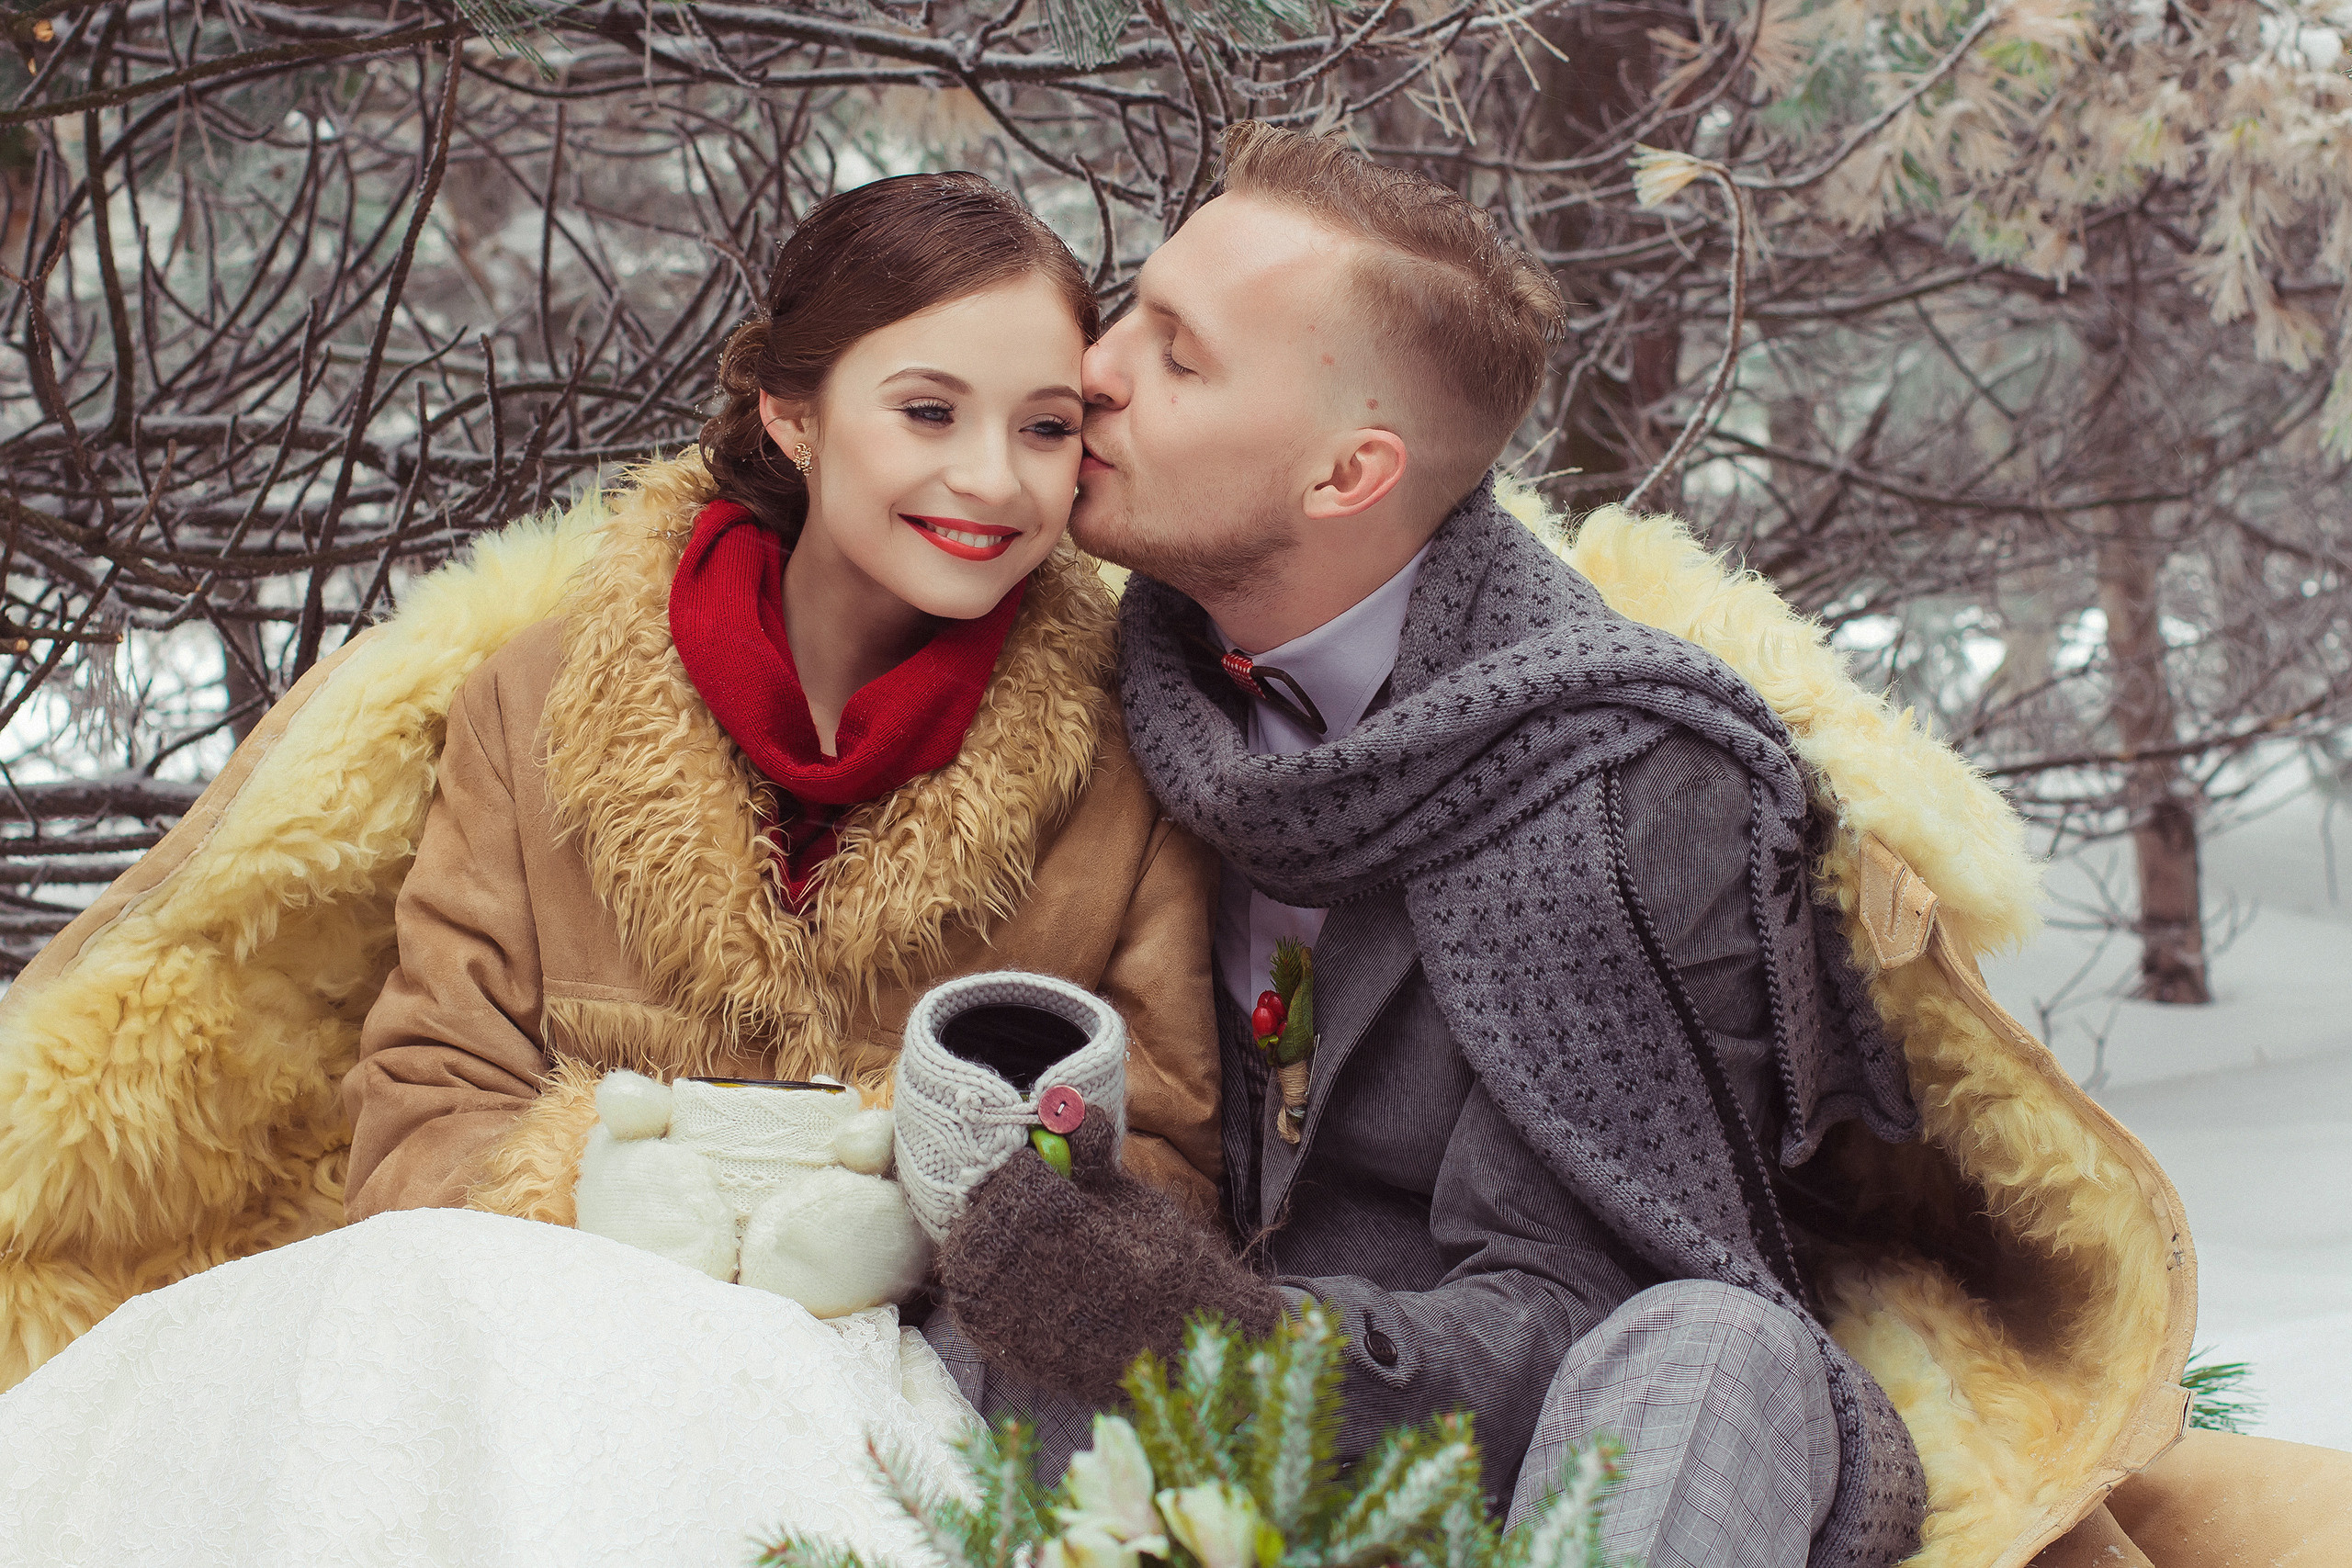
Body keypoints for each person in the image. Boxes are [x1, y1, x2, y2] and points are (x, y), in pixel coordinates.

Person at [0, 170, 1221, 1566]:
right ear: (793, 412)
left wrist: (907, 1225)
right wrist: (618, 1185)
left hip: (902, 1410)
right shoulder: (540, 700)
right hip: (530, 1362)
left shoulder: (1125, 763)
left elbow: (1166, 1164)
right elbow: (417, 1113)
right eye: (929, 411)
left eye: (1048, 427)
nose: (994, 479)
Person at [923, 123, 1928, 1568]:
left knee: (1714, 1351)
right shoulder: (1086, 673)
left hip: (1520, 1458)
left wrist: (1240, 1338)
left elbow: (1590, 1305)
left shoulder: (1627, 785)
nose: (1097, 367)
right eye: (1130, 303)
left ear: (1350, 476)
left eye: (1182, 358)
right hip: (1201, 1425)